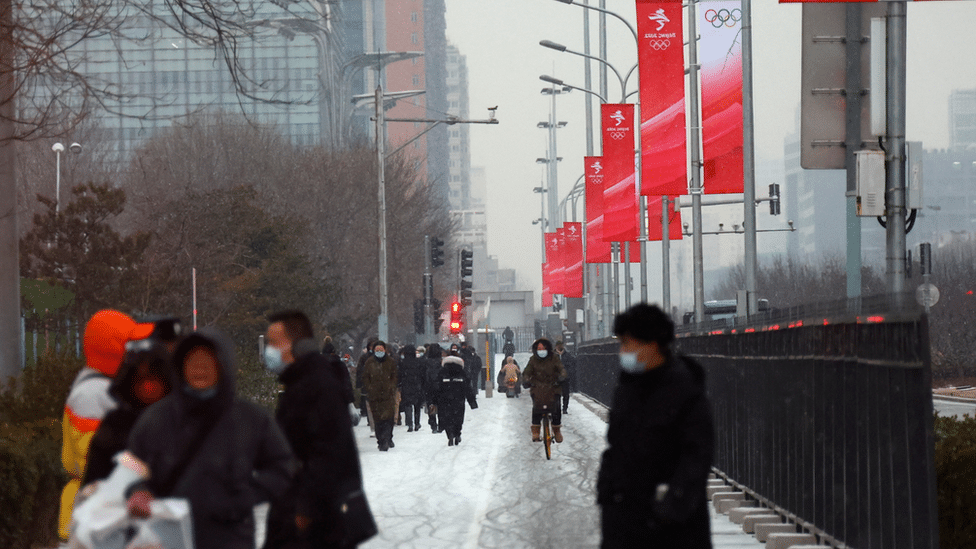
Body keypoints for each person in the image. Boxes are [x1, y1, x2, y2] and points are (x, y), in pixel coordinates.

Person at [125, 328, 294, 549]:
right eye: (193, 361)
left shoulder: (249, 419)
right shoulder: (158, 418)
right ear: (180, 366)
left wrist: (244, 496)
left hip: (231, 538)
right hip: (167, 537)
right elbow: (130, 466)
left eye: (208, 361)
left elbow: (282, 466)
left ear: (222, 366)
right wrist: (138, 490)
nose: (199, 368)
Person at [597, 303, 715, 549]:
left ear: (651, 345)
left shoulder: (684, 389)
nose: (623, 351)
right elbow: (617, 445)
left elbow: (697, 454)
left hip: (673, 528)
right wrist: (608, 492)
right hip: (625, 522)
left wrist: (671, 504)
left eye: (628, 343)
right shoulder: (627, 388)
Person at [262, 310, 373, 549]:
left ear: (297, 344)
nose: (268, 349)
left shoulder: (315, 385)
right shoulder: (301, 381)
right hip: (305, 512)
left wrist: (306, 511)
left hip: (312, 520)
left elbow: (328, 452)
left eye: (274, 342)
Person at [58, 310, 157, 541]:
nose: (138, 352)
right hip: (94, 516)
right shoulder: (92, 395)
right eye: (130, 345)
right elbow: (92, 464)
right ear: (114, 351)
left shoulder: (105, 387)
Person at [82, 338, 177, 486]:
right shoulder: (114, 425)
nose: (147, 386)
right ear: (130, 381)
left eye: (153, 378)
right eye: (140, 379)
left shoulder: (180, 423)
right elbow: (94, 482)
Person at [521, 338, 567, 443]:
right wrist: (526, 380)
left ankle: (556, 430)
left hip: (553, 387)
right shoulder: (533, 360)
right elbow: (527, 372)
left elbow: (562, 369)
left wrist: (561, 377)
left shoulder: (554, 359)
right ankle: (536, 431)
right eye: (539, 348)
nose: (541, 350)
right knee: (537, 407)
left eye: (543, 348)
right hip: (538, 388)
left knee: (556, 408)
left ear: (548, 348)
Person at [433, 351, 478, 446]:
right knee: (458, 418)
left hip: (444, 400)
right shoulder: (462, 372)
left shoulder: (442, 372)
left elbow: (436, 387)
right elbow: (468, 388)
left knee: (446, 418)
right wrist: (472, 402)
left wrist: (433, 400)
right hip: (458, 400)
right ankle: (457, 433)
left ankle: (450, 434)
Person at [361, 340, 398, 451]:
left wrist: (391, 387)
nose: (379, 351)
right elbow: (365, 377)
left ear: (385, 350)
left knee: (388, 419)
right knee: (378, 420)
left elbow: (394, 376)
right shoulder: (369, 362)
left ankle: (387, 438)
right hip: (374, 396)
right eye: (377, 350)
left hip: (388, 395)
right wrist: (370, 388)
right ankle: (381, 440)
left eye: (381, 349)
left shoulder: (390, 362)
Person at [397, 344, 426, 432]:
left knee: (408, 405)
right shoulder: (419, 362)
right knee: (417, 406)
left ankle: (410, 424)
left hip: (406, 386)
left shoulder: (402, 362)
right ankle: (417, 423)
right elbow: (423, 374)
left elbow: (399, 375)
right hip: (417, 385)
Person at [424, 344, 444, 434]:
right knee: (441, 406)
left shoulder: (426, 362)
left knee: (431, 406)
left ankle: (433, 424)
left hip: (429, 388)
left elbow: (423, 376)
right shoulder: (442, 362)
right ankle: (441, 425)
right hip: (441, 387)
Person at [555, 341, 578, 414]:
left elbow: (572, 365)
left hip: (565, 378)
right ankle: (557, 407)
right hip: (556, 379)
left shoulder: (567, 355)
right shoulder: (553, 356)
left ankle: (565, 408)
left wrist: (567, 373)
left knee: (566, 394)